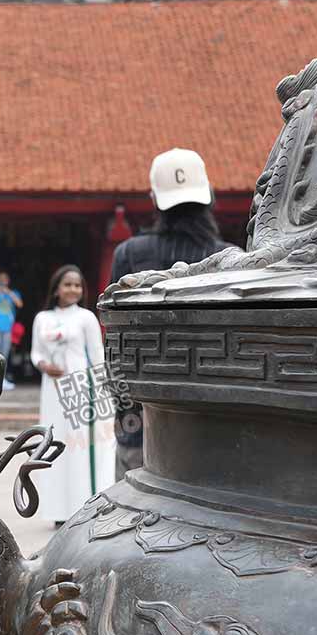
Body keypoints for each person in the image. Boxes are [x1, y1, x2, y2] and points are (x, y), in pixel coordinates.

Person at [108, 148, 228, 479]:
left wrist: (125, 416)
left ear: (154, 198)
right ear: (209, 195)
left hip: (141, 424)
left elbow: (114, 351)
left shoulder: (128, 255)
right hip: (213, 426)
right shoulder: (230, 260)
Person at [30, 265, 116, 525]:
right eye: (67, 284)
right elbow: (36, 353)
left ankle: (84, 508)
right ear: (56, 288)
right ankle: (59, 512)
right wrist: (43, 365)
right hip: (52, 392)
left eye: (77, 285)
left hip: (81, 389)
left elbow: (98, 355)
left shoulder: (86, 318)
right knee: (56, 446)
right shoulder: (42, 318)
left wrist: (103, 391)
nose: (73, 289)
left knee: (82, 449)